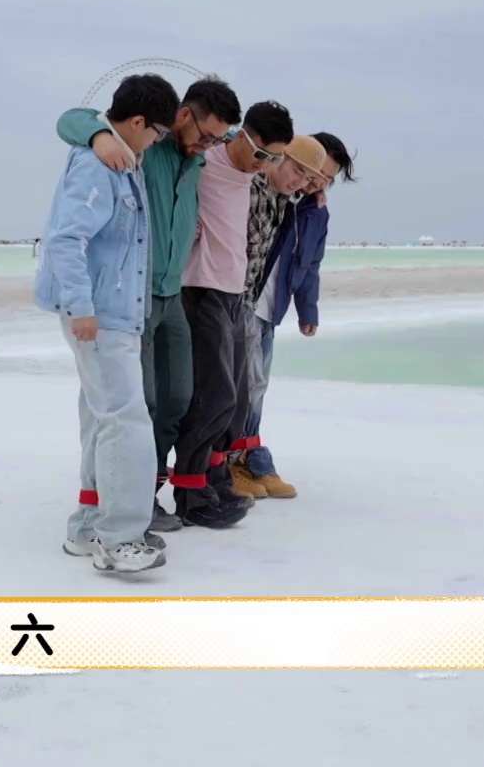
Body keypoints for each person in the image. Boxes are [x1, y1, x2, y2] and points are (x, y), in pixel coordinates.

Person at [57, 76, 245, 533]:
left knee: (178, 397)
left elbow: (252, 148)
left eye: (217, 139)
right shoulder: (149, 146)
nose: (208, 145)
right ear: (183, 116)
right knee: (138, 403)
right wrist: (99, 136)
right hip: (132, 299)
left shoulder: (197, 159)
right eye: (205, 135)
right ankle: (125, 503)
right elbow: (72, 119)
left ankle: (152, 490)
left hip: (172, 294)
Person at [33, 73, 181, 574]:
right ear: (137, 122)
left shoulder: (120, 159)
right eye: (156, 132)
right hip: (99, 316)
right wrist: (81, 308)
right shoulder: (98, 164)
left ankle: (88, 527)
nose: (157, 142)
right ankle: (119, 539)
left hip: (112, 312)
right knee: (126, 421)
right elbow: (66, 239)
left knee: (103, 417)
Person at [172, 100, 294, 528]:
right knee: (213, 396)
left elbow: (293, 180)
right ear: (240, 136)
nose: (263, 164)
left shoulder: (255, 175)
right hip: (199, 288)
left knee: (238, 399)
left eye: (273, 158)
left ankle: (216, 478)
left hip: (236, 294)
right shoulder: (205, 160)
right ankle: (191, 492)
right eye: (260, 153)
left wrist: (313, 190)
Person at [235, 131, 354, 501]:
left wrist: (308, 308)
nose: (317, 181)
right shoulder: (277, 194)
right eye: (316, 171)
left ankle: (247, 455)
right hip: (245, 300)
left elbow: (311, 263)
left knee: (257, 386)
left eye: (327, 178)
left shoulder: (316, 211)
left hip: (273, 308)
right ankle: (237, 458)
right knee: (245, 384)